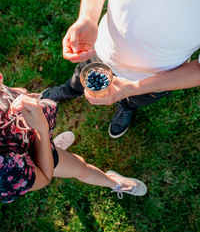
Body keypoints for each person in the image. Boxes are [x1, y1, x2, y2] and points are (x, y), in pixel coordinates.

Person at [41, 0, 200, 139]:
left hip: (154, 79)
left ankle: (127, 106)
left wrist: (134, 88)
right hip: (102, 49)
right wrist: (88, 16)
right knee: (80, 75)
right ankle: (71, 89)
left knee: (135, 99)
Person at [0, 72, 147, 203]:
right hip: (34, 159)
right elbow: (45, 177)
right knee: (82, 168)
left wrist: (15, 93)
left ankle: (48, 146)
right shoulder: (6, 170)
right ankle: (114, 183)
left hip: (28, 137)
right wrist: (42, 131)